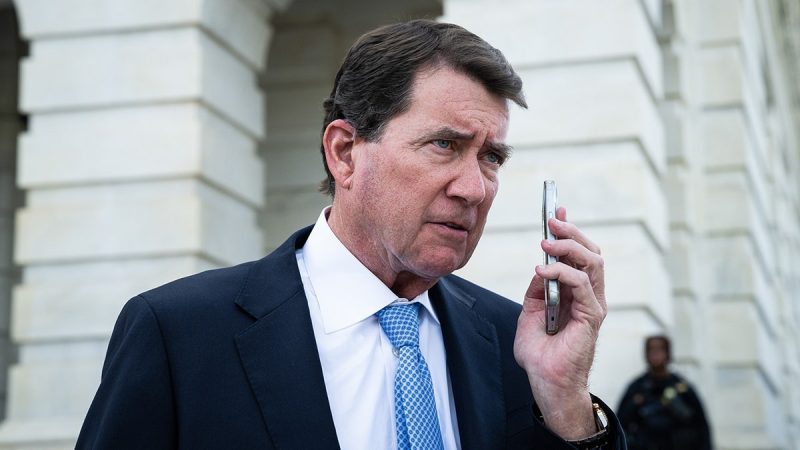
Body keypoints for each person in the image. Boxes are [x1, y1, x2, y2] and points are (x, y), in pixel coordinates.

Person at [77, 19, 626, 449]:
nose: (475, 188)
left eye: (491, 157)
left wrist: (567, 405)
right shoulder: (180, 334)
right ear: (344, 153)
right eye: (444, 145)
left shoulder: (517, 343)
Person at [617, 336, 712, 450]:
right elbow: (620, 422)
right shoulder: (637, 387)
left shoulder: (682, 387)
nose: (655, 354)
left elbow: (701, 425)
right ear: (646, 354)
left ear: (668, 353)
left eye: (660, 349)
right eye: (651, 350)